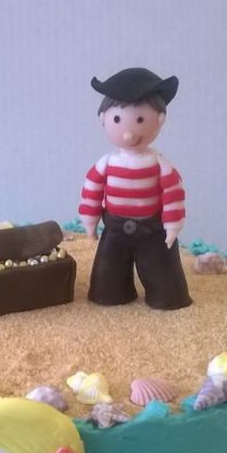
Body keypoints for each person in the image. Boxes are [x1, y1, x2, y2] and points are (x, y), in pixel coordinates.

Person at [80, 67, 192, 310]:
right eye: (117, 120)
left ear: (160, 119)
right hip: (114, 232)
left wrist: (173, 226)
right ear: (103, 119)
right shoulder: (106, 164)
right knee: (106, 283)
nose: (129, 134)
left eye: (140, 120)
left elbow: (173, 195)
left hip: (154, 233)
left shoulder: (160, 165)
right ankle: (110, 292)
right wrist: (90, 221)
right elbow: (92, 192)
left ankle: (166, 295)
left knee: (167, 285)